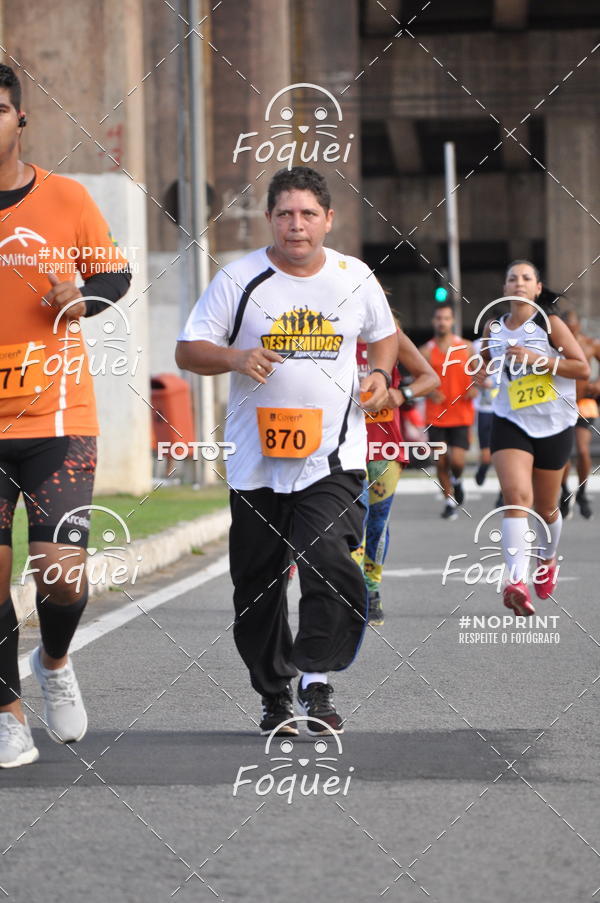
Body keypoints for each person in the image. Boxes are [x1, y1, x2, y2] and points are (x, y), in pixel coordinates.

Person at [176, 166, 398, 736]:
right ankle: (274, 693)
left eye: (307, 214)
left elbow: (385, 335)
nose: (296, 225)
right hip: (256, 463)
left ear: (328, 220)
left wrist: (378, 374)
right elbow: (188, 349)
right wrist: (235, 357)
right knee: (257, 587)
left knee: (329, 561)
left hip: (333, 457)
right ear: (269, 218)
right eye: (285, 214)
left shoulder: (354, 277)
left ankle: (316, 680)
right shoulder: (239, 278)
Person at [0, 64, 131, 767]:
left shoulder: (66, 197)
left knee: (60, 575)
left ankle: (52, 660)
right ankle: (8, 713)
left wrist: (81, 298)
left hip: (58, 419)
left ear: (20, 120)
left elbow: (115, 274)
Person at [481, 261, 589, 617]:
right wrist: (480, 372)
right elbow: (485, 359)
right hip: (510, 420)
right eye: (512, 278)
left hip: (555, 423)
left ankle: (547, 558)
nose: (519, 283)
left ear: (538, 288)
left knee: (546, 509)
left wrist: (538, 360)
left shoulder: (550, 324)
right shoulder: (494, 327)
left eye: (527, 278)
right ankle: (516, 581)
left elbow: (581, 367)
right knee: (516, 498)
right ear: (504, 288)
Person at [353, 322, 438, 626]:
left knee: (377, 522)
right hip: (344, 446)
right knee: (353, 520)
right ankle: (352, 589)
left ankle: (371, 589)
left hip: (384, 447)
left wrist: (403, 393)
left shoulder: (390, 335)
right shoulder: (330, 331)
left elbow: (431, 378)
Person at [420, 304, 476, 520]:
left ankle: (458, 480)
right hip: (435, 415)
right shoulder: (425, 351)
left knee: (458, 462)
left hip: (461, 413)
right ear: (433, 321)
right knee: (441, 461)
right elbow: (417, 379)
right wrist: (429, 391)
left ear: (452, 321)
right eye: (438, 318)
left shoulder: (467, 347)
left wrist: (475, 387)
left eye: (446, 318)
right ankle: (449, 501)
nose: (442, 322)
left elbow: (480, 372)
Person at [559, 309, 600, 520]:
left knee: (583, 450)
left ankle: (582, 492)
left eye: (571, 326)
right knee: (563, 453)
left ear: (578, 326)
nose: (568, 330)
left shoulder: (590, 344)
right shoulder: (555, 345)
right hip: (560, 403)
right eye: (564, 327)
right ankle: (565, 491)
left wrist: (598, 383)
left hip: (584, 402)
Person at [472, 337, 499, 487]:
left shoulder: (513, 342)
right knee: (486, 455)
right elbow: (471, 371)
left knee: (507, 453)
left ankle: (502, 492)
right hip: (485, 408)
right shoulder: (476, 345)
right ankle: (483, 467)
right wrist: (477, 381)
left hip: (507, 409)